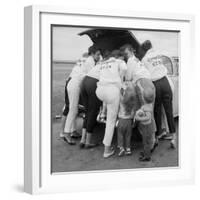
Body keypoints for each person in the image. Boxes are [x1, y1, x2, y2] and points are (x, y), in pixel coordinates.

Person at [63, 46, 101, 145]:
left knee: (73, 108)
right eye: (97, 54)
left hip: (71, 82)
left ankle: (73, 130)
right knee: (73, 110)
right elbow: (91, 76)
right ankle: (67, 133)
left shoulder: (84, 59)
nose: (99, 56)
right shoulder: (90, 61)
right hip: (75, 84)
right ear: (92, 54)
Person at [141, 40, 176, 148]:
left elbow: (145, 74)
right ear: (151, 46)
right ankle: (174, 138)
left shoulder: (144, 59)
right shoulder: (159, 54)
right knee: (168, 110)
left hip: (155, 84)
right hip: (165, 81)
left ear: (144, 49)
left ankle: (157, 137)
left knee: (157, 111)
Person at [96, 50, 127, 158]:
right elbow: (124, 68)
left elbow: (98, 74)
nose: (124, 59)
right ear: (118, 56)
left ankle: (102, 113)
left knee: (107, 102)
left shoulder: (103, 63)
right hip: (112, 91)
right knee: (110, 122)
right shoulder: (119, 61)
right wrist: (120, 77)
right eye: (123, 58)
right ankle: (107, 150)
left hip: (100, 90)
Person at [59, 54, 88, 140]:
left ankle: (72, 131)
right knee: (69, 109)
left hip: (70, 80)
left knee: (72, 108)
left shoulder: (80, 60)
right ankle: (63, 132)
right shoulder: (87, 60)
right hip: (73, 82)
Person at [79, 57, 102, 149]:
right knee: (93, 112)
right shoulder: (116, 63)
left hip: (84, 81)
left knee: (87, 112)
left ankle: (82, 140)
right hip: (93, 83)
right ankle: (88, 142)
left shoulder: (100, 62)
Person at [135, 78, 156, 161]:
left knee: (146, 142)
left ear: (143, 98)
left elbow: (148, 117)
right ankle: (146, 152)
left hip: (146, 127)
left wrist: (139, 118)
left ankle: (147, 156)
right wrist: (140, 86)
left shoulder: (147, 108)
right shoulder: (149, 103)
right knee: (147, 141)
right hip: (148, 126)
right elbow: (144, 92)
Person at [117, 81, 137, 157]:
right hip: (129, 122)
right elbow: (133, 115)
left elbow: (120, 94)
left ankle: (121, 148)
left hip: (121, 121)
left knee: (120, 135)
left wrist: (122, 88)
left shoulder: (122, 102)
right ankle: (128, 149)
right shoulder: (133, 105)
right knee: (128, 136)